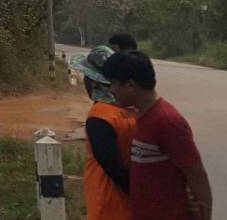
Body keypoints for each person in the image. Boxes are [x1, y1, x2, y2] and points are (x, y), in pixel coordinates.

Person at [102, 50, 212, 220]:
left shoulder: (167, 121)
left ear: (130, 85)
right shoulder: (141, 116)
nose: (111, 90)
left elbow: (196, 174)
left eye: (114, 84)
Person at [70, 44, 135, 220]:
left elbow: (114, 168)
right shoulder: (134, 110)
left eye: (86, 76)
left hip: (107, 205)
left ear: (93, 81)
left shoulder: (99, 116)